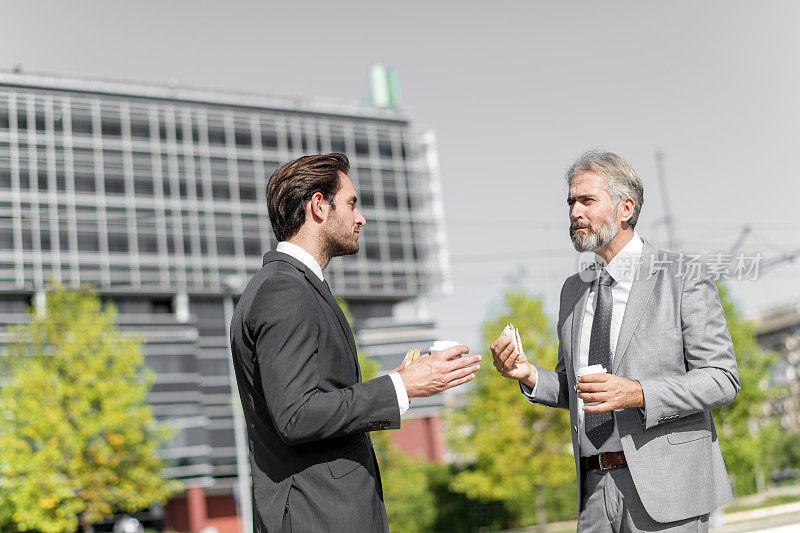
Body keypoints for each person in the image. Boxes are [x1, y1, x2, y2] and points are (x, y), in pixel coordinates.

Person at [230, 153, 481, 532]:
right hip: (319, 517)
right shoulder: (285, 289)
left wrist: (398, 382)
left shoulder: (291, 287)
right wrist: (402, 386)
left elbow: (315, 399)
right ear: (318, 205)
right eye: (351, 203)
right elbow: (296, 416)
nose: (360, 218)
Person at [490, 150, 739, 532]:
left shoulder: (682, 277)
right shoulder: (572, 291)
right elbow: (579, 390)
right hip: (593, 493)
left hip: (667, 492)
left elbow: (722, 379)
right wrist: (528, 375)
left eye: (587, 200)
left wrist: (638, 393)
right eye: (571, 202)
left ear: (626, 208)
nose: (574, 212)